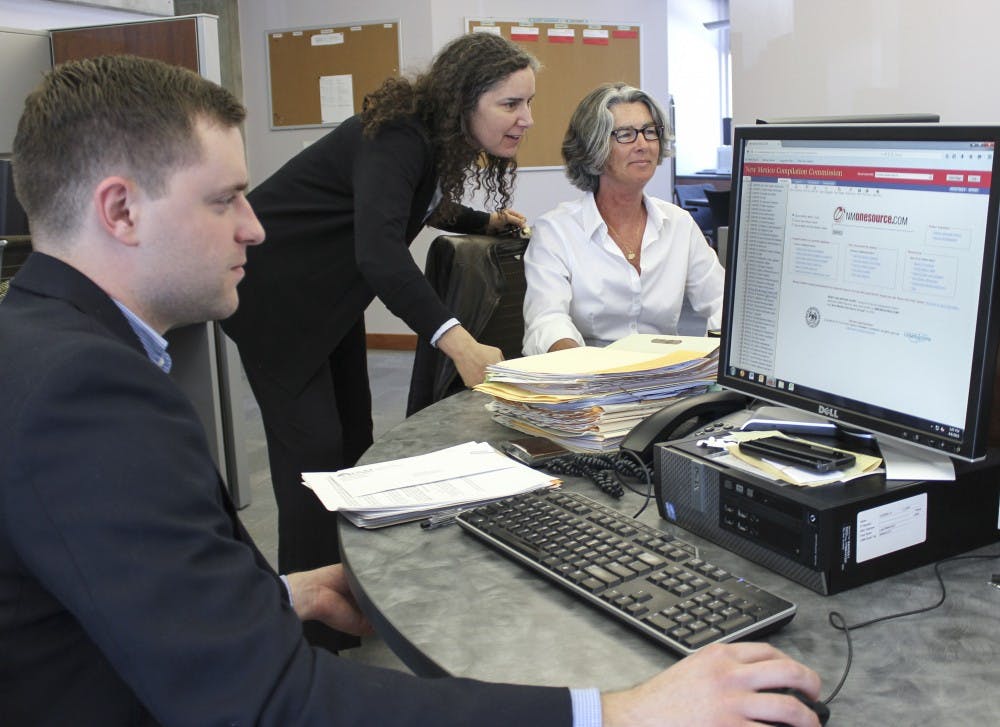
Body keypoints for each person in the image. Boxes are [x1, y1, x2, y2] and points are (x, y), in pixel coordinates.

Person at [0, 54, 823, 727]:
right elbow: (271, 702)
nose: (255, 224)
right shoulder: (92, 394)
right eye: (227, 200)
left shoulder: (46, 345)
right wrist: (614, 712)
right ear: (120, 211)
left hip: (325, 314)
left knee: (348, 451)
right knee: (312, 453)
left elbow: (115, 572)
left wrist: (267, 596)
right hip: (297, 308)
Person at [220, 34, 535, 641]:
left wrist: (483, 219)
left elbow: (414, 205)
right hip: (276, 299)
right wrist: (457, 339)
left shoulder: (431, 136)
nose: (526, 119)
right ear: (467, 98)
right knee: (311, 460)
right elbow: (382, 251)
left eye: (528, 103)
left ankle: (350, 597)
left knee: (353, 443)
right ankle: (310, 636)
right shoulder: (398, 134)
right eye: (511, 104)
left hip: (328, 298)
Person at [522, 83, 725, 355]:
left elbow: (723, 301)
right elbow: (547, 320)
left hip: (666, 379)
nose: (642, 144)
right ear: (593, 147)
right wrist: (574, 366)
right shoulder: (556, 231)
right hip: (590, 380)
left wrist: (713, 358)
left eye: (649, 132)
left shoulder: (679, 224)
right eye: (625, 134)